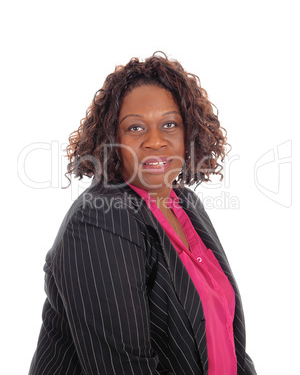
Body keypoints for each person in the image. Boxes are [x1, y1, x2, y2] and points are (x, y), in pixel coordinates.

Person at [29, 52, 257, 375]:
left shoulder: (187, 205)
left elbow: (231, 348)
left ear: (187, 132)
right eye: (135, 127)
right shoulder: (99, 221)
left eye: (169, 124)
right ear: (112, 139)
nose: (155, 141)